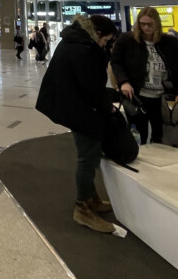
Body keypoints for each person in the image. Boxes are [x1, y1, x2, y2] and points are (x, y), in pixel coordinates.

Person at [35, 14, 120, 233]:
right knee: (87, 156)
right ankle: (82, 208)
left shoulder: (76, 41)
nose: (106, 45)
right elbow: (90, 86)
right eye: (106, 40)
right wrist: (107, 104)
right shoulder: (82, 48)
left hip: (74, 105)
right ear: (98, 34)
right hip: (78, 108)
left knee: (89, 154)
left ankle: (91, 198)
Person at [110, 7, 178, 144]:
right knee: (138, 135)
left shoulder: (172, 43)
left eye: (149, 24)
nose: (146, 27)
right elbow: (116, 63)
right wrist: (123, 82)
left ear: (157, 24)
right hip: (136, 97)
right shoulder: (126, 40)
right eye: (142, 24)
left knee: (161, 136)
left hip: (163, 99)